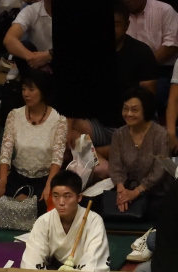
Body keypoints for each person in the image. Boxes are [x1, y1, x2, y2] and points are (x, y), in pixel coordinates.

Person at [66, 2, 157, 161]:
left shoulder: (142, 52)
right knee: (65, 127)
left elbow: (148, 100)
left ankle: (96, 158)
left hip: (129, 127)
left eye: (115, 24)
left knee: (145, 140)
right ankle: (101, 161)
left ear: (127, 25)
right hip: (99, 125)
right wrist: (66, 130)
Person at [0, 70, 67, 209]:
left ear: (42, 91)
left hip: (44, 179)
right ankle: (27, 203)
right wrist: (2, 181)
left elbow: (57, 158)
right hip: (17, 178)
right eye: (24, 89)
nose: (26, 94)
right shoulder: (14, 115)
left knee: (55, 201)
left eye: (31, 89)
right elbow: (5, 152)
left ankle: (21, 202)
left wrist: (49, 185)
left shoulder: (59, 119)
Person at [20, 170, 110, 272]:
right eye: (56, 196)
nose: (61, 202)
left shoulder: (94, 221)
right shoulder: (43, 221)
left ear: (79, 197)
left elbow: (95, 265)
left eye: (67, 196)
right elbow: (31, 262)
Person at [102, 86, 169, 218]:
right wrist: (121, 191)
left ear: (146, 110)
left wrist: (137, 192)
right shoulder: (119, 134)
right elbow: (115, 166)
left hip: (155, 192)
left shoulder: (160, 134)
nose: (129, 114)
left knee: (158, 209)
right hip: (127, 189)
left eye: (134, 110)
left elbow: (159, 171)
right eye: (125, 109)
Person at [2, 0, 52, 74]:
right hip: (38, 65)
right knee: (24, 45)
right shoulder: (32, 10)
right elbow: (9, 39)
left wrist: (48, 55)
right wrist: (32, 57)